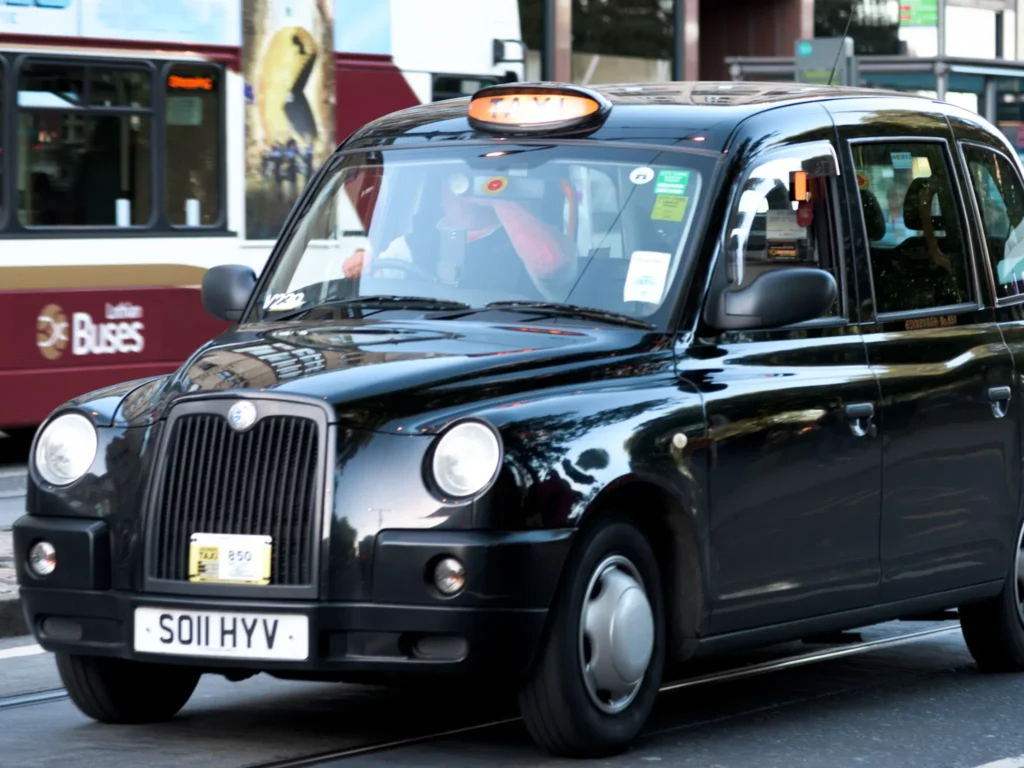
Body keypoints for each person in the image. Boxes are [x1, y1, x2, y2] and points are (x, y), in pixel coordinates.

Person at [342, 174, 579, 302]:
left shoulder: (529, 241)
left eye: (473, 180)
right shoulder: (412, 244)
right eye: (457, 179)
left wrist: (498, 197)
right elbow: (378, 281)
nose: (465, 193)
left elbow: (550, 263)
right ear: (441, 192)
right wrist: (364, 261)